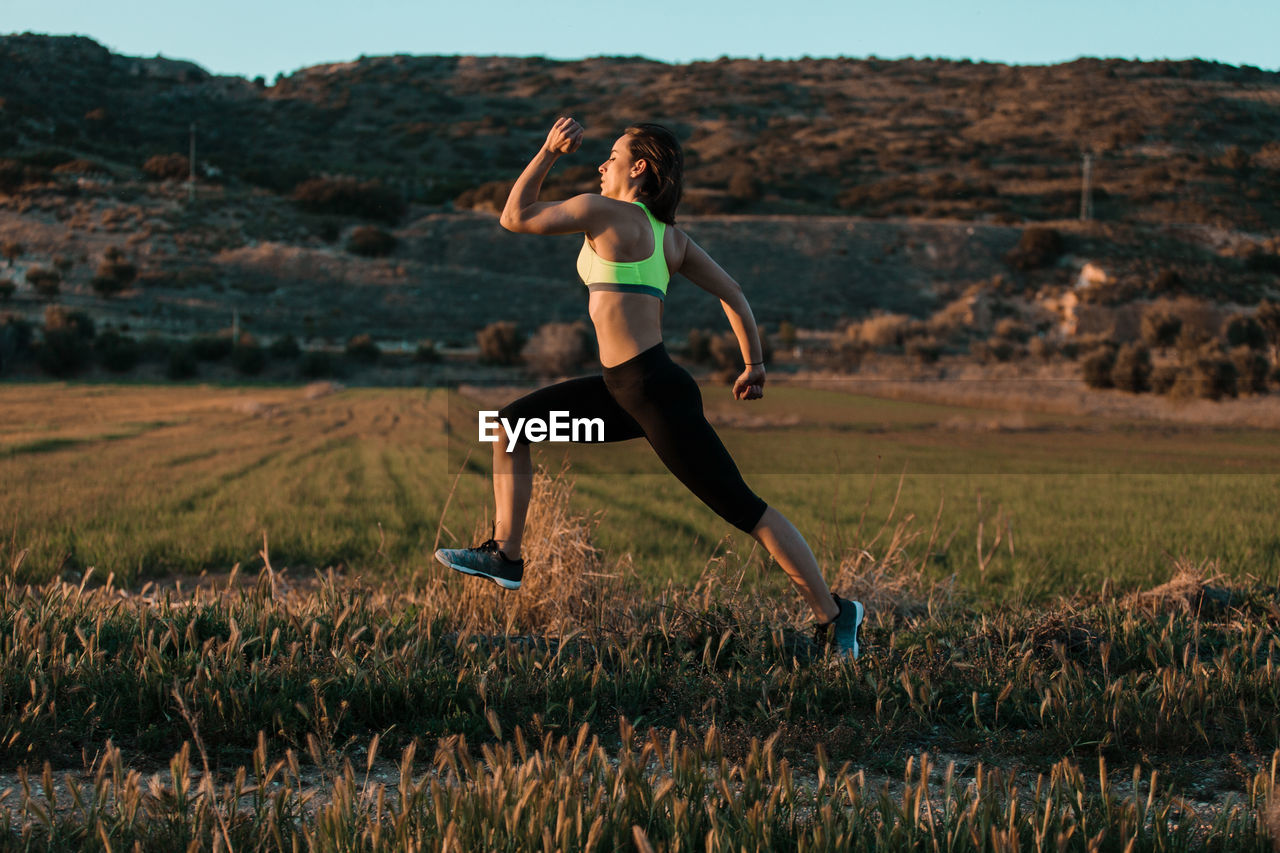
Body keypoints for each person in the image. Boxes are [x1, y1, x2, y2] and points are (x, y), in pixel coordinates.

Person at [435, 117, 865, 658]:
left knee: (744, 510)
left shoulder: (601, 211)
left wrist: (547, 151)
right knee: (509, 425)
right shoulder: (672, 240)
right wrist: (753, 363)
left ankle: (835, 615)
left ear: (638, 169)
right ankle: (506, 555)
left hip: (654, 393)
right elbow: (734, 292)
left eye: (612, 156)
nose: (601, 164)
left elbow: (514, 216)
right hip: (623, 392)